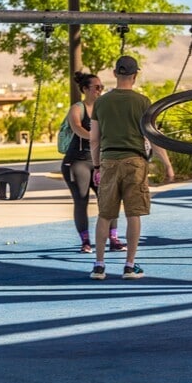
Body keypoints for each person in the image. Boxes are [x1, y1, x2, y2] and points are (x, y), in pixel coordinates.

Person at [89, 55, 170, 280]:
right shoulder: (143, 102)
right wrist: (167, 164)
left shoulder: (101, 103)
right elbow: (153, 138)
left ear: (115, 74)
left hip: (108, 162)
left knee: (105, 215)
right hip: (135, 163)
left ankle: (99, 265)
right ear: (135, 76)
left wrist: (97, 166)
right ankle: (129, 265)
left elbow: (94, 139)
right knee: (134, 214)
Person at [61, 71, 126, 254]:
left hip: (99, 161)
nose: (100, 90)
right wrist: (95, 137)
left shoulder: (104, 108)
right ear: (85, 89)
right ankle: (86, 242)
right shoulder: (77, 108)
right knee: (81, 201)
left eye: (102, 87)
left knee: (109, 200)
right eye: (96, 87)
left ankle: (113, 239)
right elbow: (77, 127)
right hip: (78, 161)